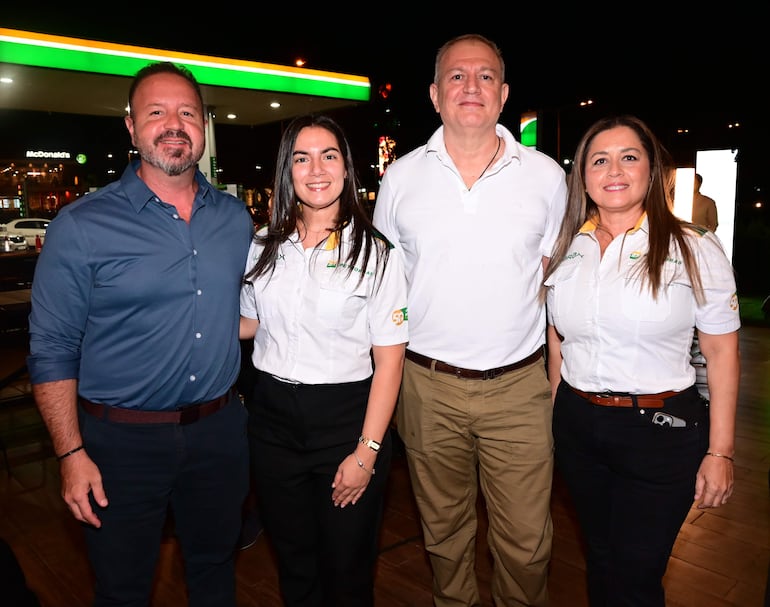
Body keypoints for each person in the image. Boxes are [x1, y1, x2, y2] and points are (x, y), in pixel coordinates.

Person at [26, 61, 254, 607]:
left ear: (203, 126)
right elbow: (52, 349)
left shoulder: (236, 219)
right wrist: (71, 453)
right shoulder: (82, 226)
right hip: (118, 445)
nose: (174, 124)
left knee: (216, 571)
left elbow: (254, 309)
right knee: (123, 588)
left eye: (187, 113)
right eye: (157, 112)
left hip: (219, 432)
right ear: (131, 126)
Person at [372, 34, 567, 606]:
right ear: (435, 95)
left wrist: (555, 379)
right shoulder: (401, 178)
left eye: (485, 76)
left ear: (503, 95)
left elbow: (555, 281)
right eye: (457, 76)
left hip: (519, 388)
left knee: (528, 543)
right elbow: (388, 288)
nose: (471, 86)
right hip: (426, 386)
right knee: (444, 535)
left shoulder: (546, 177)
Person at [543, 114, 740, 606]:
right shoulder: (568, 247)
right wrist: (555, 413)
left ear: (651, 171)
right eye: (599, 159)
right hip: (578, 427)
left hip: (660, 431)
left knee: (636, 573)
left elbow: (721, 352)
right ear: (583, 176)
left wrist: (720, 453)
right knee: (602, 557)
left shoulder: (691, 246)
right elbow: (557, 339)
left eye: (629, 157)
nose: (614, 169)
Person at [239, 113, 408, 606]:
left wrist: (367, 452)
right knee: (294, 565)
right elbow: (250, 323)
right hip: (271, 425)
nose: (316, 169)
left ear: (347, 167)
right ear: (286, 171)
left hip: (344, 424)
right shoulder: (263, 245)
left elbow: (390, 362)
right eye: (302, 157)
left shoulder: (377, 253)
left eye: (328, 155)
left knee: (347, 570)